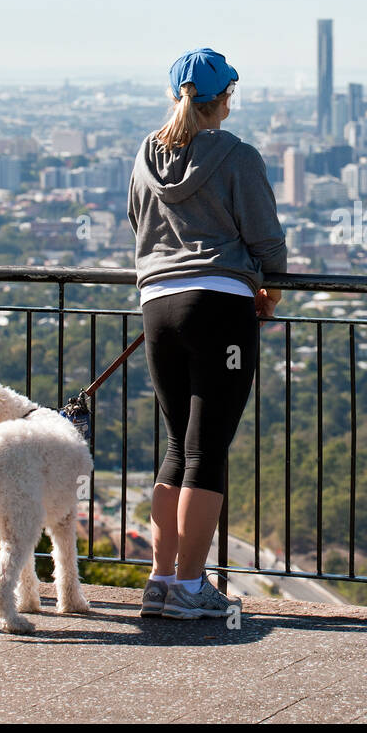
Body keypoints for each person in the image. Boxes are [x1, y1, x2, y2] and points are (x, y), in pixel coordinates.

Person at [126, 48, 286, 618]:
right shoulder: (237, 156)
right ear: (223, 99)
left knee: (176, 446)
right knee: (207, 449)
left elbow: (137, 226)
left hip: (157, 306)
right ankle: (192, 588)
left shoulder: (145, 155)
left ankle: (161, 579)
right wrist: (270, 289)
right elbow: (265, 237)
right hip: (219, 307)